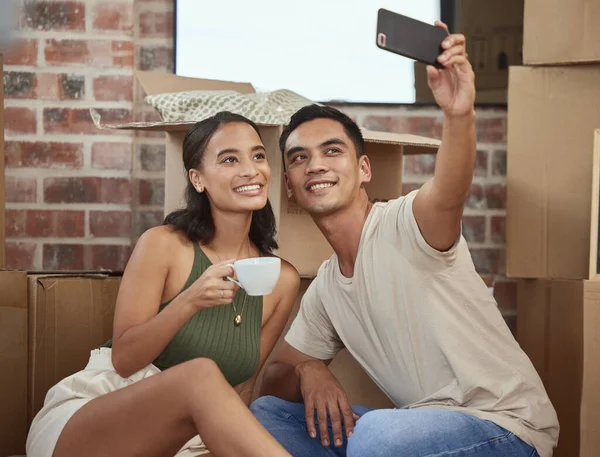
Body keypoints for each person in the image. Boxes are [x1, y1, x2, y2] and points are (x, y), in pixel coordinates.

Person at [250, 22, 559, 457]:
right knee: (267, 414)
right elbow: (275, 377)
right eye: (300, 158)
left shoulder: (406, 223)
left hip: (504, 429)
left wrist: (458, 113)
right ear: (290, 185)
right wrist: (308, 370)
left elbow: (450, 190)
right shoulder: (326, 289)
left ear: (364, 170)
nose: (315, 165)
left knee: (377, 436)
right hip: (418, 433)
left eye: (332, 151)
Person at [26, 112, 300, 457]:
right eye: (230, 159)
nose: (250, 169)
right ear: (198, 179)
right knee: (200, 375)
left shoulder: (282, 280)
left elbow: (241, 392)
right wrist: (190, 300)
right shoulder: (164, 245)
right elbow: (124, 360)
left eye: (258, 156)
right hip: (99, 416)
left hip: (187, 440)